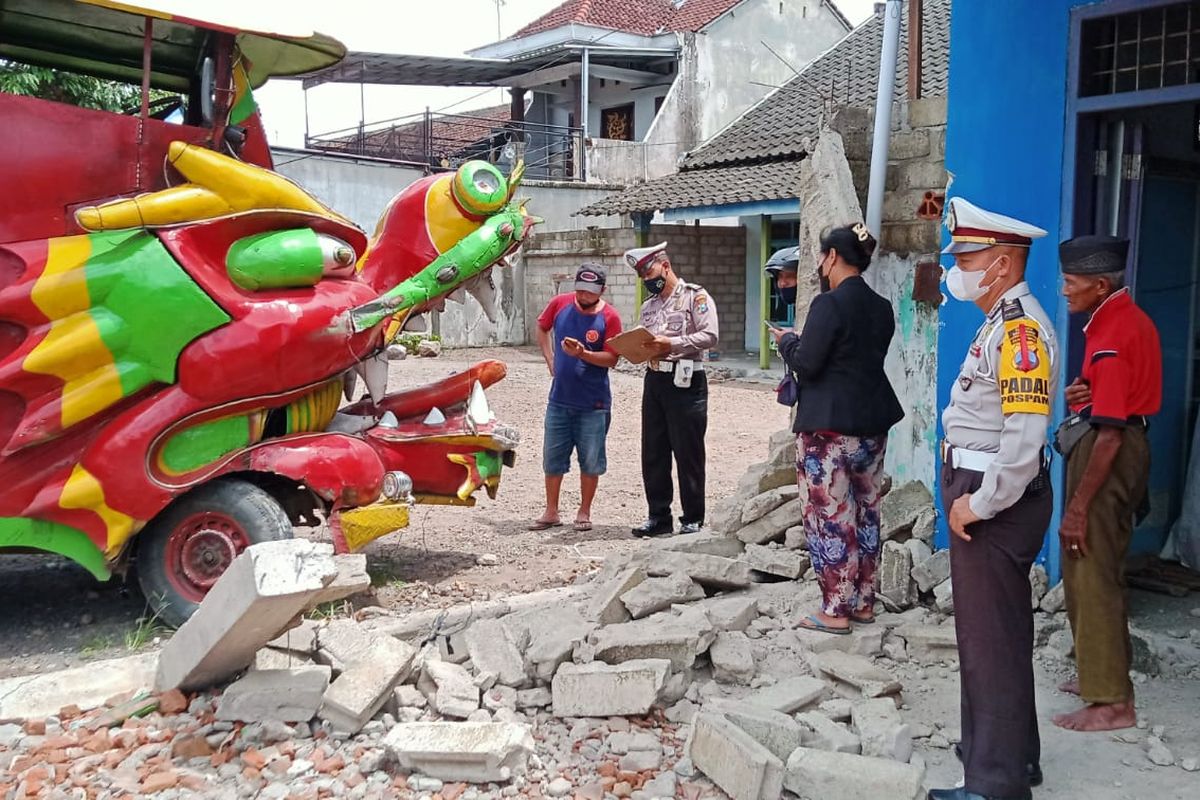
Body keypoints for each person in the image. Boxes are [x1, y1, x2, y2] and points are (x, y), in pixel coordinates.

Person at [929, 197, 1057, 800]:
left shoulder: (1021, 331)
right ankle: (1004, 753)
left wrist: (978, 505)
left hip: (993, 500)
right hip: (985, 489)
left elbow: (1024, 440)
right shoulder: (1000, 321)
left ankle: (994, 783)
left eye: (967, 257)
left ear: (1002, 265)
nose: (957, 269)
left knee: (989, 642)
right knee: (997, 634)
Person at [767, 224, 903, 635]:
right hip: (872, 424)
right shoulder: (882, 306)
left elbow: (809, 364)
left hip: (828, 430)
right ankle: (863, 603)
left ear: (830, 258)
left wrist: (787, 341)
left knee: (830, 516)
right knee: (866, 512)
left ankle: (835, 608)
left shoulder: (828, 305)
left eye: (820, 257)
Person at [1053, 235, 1161, 733]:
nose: (1064, 290)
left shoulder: (1113, 333)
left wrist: (1078, 504)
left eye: (1072, 283)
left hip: (1108, 453)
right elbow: (1115, 399)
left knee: (1091, 567)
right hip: (1113, 441)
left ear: (1100, 285)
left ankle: (1112, 701)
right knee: (1092, 567)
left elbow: (1113, 434)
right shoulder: (1117, 319)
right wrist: (1089, 393)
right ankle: (1098, 672)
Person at [624, 242, 719, 536]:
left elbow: (710, 335)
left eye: (649, 271)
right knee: (653, 451)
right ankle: (658, 517)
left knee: (687, 451)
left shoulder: (695, 297)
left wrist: (672, 344)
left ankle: (692, 517)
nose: (646, 279)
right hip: (655, 379)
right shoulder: (648, 306)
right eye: (641, 275)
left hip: (686, 380)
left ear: (665, 266)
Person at [531, 263, 622, 532]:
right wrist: (550, 360)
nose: (583, 296)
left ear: (602, 290)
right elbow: (542, 327)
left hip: (594, 403)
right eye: (580, 290)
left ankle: (584, 511)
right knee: (552, 457)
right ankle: (551, 510)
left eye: (590, 292)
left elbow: (612, 359)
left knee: (591, 459)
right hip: (559, 399)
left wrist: (583, 354)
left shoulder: (610, 318)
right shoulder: (559, 303)